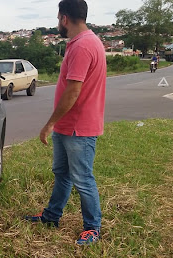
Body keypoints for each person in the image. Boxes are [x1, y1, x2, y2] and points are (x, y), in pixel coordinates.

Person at [24, 0, 106, 245]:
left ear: (64, 18)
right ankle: (52, 215)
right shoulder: (83, 42)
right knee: (62, 174)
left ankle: (92, 228)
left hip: (77, 127)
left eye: (58, 17)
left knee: (82, 178)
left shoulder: (83, 46)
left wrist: (49, 123)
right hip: (67, 125)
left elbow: (73, 92)